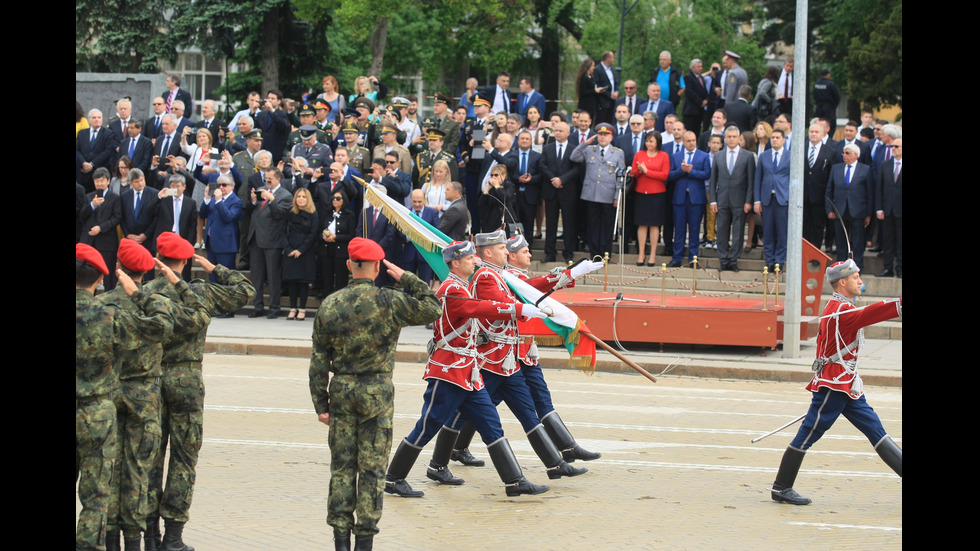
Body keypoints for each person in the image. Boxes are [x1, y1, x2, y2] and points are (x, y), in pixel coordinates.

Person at [384, 240, 552, 500]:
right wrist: (517, 308)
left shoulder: (461, 286)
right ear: (455, 262)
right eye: (470, 258)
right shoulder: (452, 289)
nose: (475, 261)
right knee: (428, 426)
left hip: (468, 373)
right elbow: (478, 308)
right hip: (449, 372)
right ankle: (394, 478)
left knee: (491, 424)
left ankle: (514, 481)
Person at [309, 238, 440, 551]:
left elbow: (318, 362)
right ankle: (364, 542)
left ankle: (340, 542)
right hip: (376, 392)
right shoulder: (389, 300)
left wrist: (320, 404)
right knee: (372, 470)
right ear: (379, 267)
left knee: (342, 469)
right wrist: (405, 276)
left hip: (341, 391)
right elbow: (433, 307)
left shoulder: (330, 303)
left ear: (348, 264)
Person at [100, 240, 207, 551]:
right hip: (144, 393)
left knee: (111, 467)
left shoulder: (104, 304)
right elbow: (198, 316)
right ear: (148, 269)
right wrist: (173, 286)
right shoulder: (157, 306)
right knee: (139, 465)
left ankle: (111, 539)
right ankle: (148, 540)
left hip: (110, 392)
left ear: (117, 268)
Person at [771, 259, 903, 505]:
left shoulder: (840, 307)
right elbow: (875, 311)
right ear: (842, 282)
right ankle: (781, 487)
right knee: (809, 432)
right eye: (856, 278)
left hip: (845, 384)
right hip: (834, 384)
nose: (861, 281)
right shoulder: (842, 311)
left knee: (876, 431)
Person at [76, 243, 174, 551]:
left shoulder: (106, 308)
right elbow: (161, 326)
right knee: (95, 494)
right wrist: (136, 294)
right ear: (99, 278)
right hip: (96, 412)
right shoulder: (106, 316)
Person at [571, 123, 626, 258]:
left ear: (611, 137)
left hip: (608, 194)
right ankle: (594, 253)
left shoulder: (617, 153)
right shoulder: (590, 149)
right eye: (600, 135)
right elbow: (574, 157)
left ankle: (605, 252)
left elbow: (621, 176)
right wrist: (585, 143)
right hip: (591, 194)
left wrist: (616, 195)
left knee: (607, 225)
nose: (602, 137)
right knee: (592, 224)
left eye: (606, 135)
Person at [710, 126, 755, 272]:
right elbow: (713, 180)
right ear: (725, 138)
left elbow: (750, 181)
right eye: (728, 137)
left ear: (739, 138)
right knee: (722, 230)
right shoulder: (718, 156)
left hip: (740, 200)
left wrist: (748, 201)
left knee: (738, 230)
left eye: (734, 137)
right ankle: (723, 259)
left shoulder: (747, 156)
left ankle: (734, 259)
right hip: (722, 199)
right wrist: (713, 200)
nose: (731, 139)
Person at [667, 131, 711, 267]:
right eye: (689, 141)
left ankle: (693, 258)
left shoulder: (704, 156)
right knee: (679, 229)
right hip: (680, 198)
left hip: (696, 199)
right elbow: (670, 175)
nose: (691, 143)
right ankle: (677, 257)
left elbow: (707, 174)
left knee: (694, 229)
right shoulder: (676, 156)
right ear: (684, 142)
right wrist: (682, 170)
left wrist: (691, 171)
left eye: (693, 140)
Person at [754, 129, 791, 272]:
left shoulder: (790, 156)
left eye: (777, 137)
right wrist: (757, 200)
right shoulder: (764, 156)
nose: (774, 140)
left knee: (782, 233)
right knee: (768, 232)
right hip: (767, 199)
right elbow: (758, 179)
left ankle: (779, 261)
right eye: (773, 137)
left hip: (783, 199)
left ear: (783, 140)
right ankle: (769, 261)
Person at [631, 131, 670, 265]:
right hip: (642, 192)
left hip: (657, 193)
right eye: (647, 141)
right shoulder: (639, 154)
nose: (648, 144)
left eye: (651, 141)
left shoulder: (663, 156)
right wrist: (639, 170)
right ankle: (641, 253)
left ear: (658, 143)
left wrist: (648, 171)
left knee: (654, 224)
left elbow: (664, 175)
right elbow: (633, 173)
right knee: (642, 224)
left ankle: (652, 254)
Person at [282, 188, 319, 320]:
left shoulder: (313, 214)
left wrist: (301, 250)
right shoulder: (290, 213)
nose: (301, 199)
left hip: (305, 252)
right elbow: (283, 232)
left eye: (304, 197)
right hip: (291, 250)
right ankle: (292, 308)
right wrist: (288, 249)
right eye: (299, 196)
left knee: (303, 282)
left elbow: (313, 234)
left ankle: (302, 308)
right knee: (292, 282)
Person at [317, 189, 355, 298]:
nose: (335, 200)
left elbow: (351, 235)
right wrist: (323, 236)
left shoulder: (349, 215)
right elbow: (319, 229)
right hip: (326, 249)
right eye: (333, 198)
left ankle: (340, 301)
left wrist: (336, 237)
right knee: (327, 277)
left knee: (341, 278)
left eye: (338, 198)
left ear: (344, 200)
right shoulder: (327, 213)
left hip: (341, 251)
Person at [874, 138, 902, 278]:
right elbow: (879, 188)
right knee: (888, 240)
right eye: (892, 146)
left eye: (896, 146)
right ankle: (888, 268)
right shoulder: (885, 165)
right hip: (887, 210)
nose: (893, 148)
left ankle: (900, 269)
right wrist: (879, 208)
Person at [575, 59, 599, 123]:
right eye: (593, 66)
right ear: (588, 67)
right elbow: (583, 91)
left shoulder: (590, 77)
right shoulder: (583, 78)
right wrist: (594, 91)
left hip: (591, 104)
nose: (594, 68)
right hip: (585, 105)